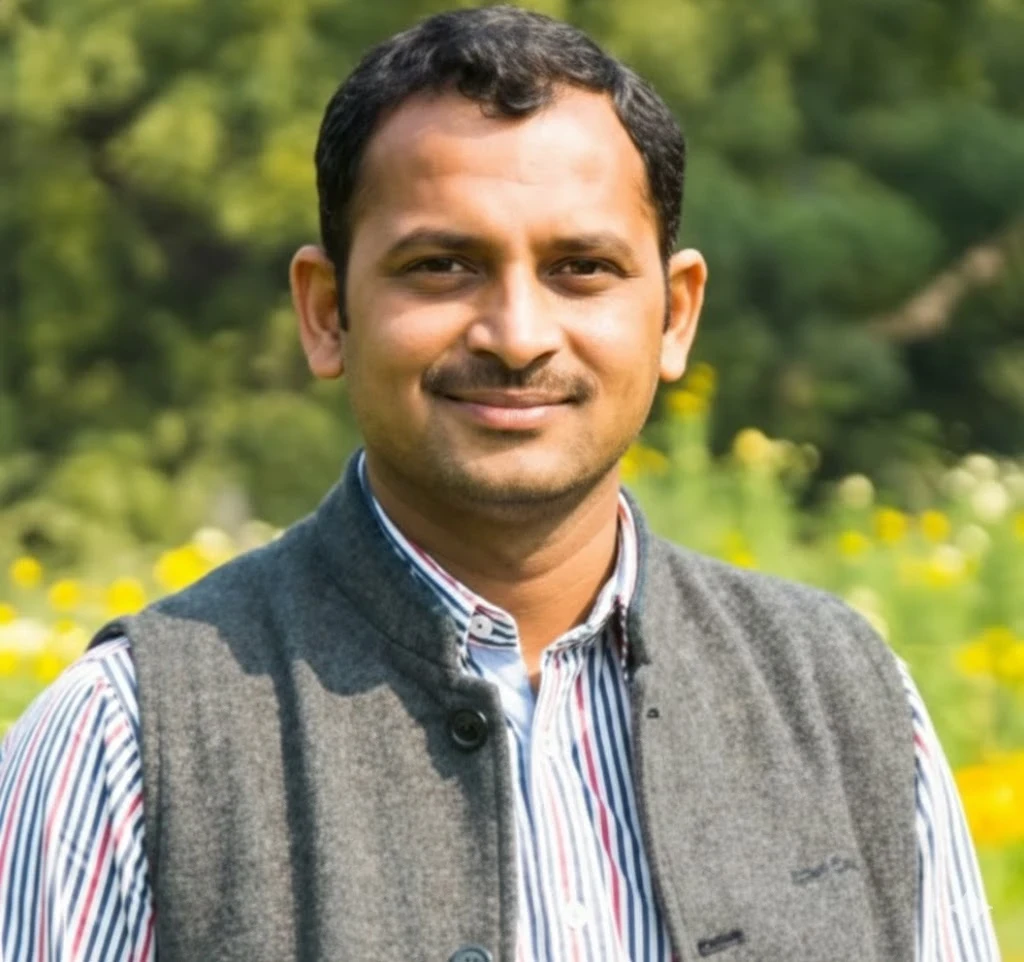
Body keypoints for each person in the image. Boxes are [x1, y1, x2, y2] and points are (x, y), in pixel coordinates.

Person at [0, 6, 1000, 962]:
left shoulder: (845, 701)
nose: (518, 336)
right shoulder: (127, 741)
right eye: (442, 266)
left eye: (582, 267)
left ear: (675, 315)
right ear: (326, 313)